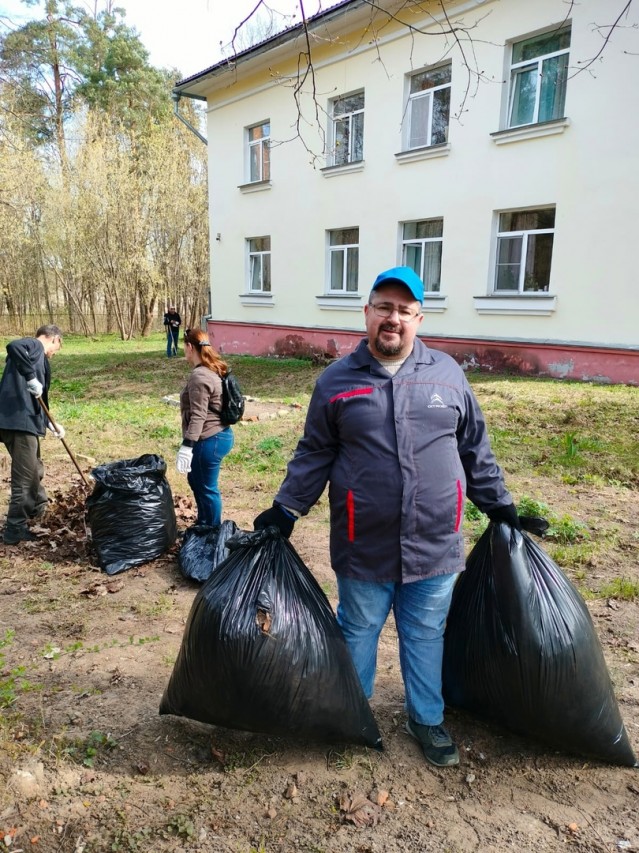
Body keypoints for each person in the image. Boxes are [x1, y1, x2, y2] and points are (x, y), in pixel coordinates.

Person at [254, 266, 522, 768]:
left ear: (419, 318)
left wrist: (499, 505)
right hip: (364, 541)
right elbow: (315, 453)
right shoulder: (336, 381)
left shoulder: (447, 374)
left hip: (435, 541)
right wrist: (286, 508)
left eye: (404, 310)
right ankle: (352, 714)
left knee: (426, 632)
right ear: (367, 313)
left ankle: (426, 719)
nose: (393, 318)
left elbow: (474, 450)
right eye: (384, 308)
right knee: (358, 628)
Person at [0, 325, 65, 545]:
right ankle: (15, 529)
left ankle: (39, 509)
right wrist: (30, 377)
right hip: (19, 422)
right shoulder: (34, 345)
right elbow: (13, 345)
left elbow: (38, 399)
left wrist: (50, 424)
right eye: (58, 347)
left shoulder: (35, 358)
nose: (55, 352)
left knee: (34, 468)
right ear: (54, 339)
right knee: (25, 478)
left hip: (20, 421)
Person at [175, 328, 234, 527]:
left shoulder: (199, 376)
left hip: (209, 439)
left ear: (190, 347)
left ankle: (212, 531)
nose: (184, 351)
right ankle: (204, 525)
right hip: (219, 435)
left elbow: (198, 415)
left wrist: (187, 446)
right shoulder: (211, 369)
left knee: (207, 489)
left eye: (184, 347)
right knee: (197, 482)